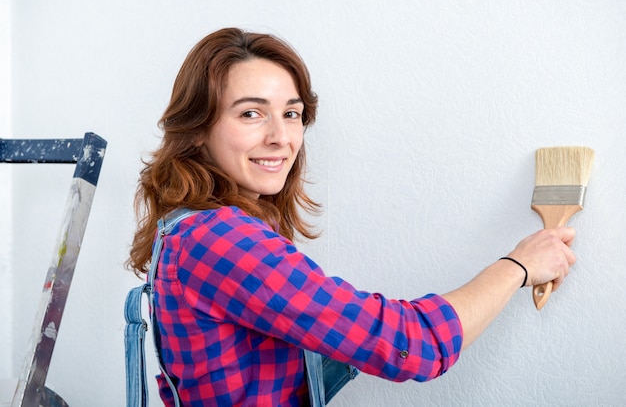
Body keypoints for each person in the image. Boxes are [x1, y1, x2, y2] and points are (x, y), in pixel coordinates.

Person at [127, 27, 576, 406]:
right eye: (251, 113)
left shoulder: (187, 230)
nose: (281, 137)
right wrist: (517, 266)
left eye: (292, 114)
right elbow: (412, 346)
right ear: (198, 128)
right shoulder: (221, 240)